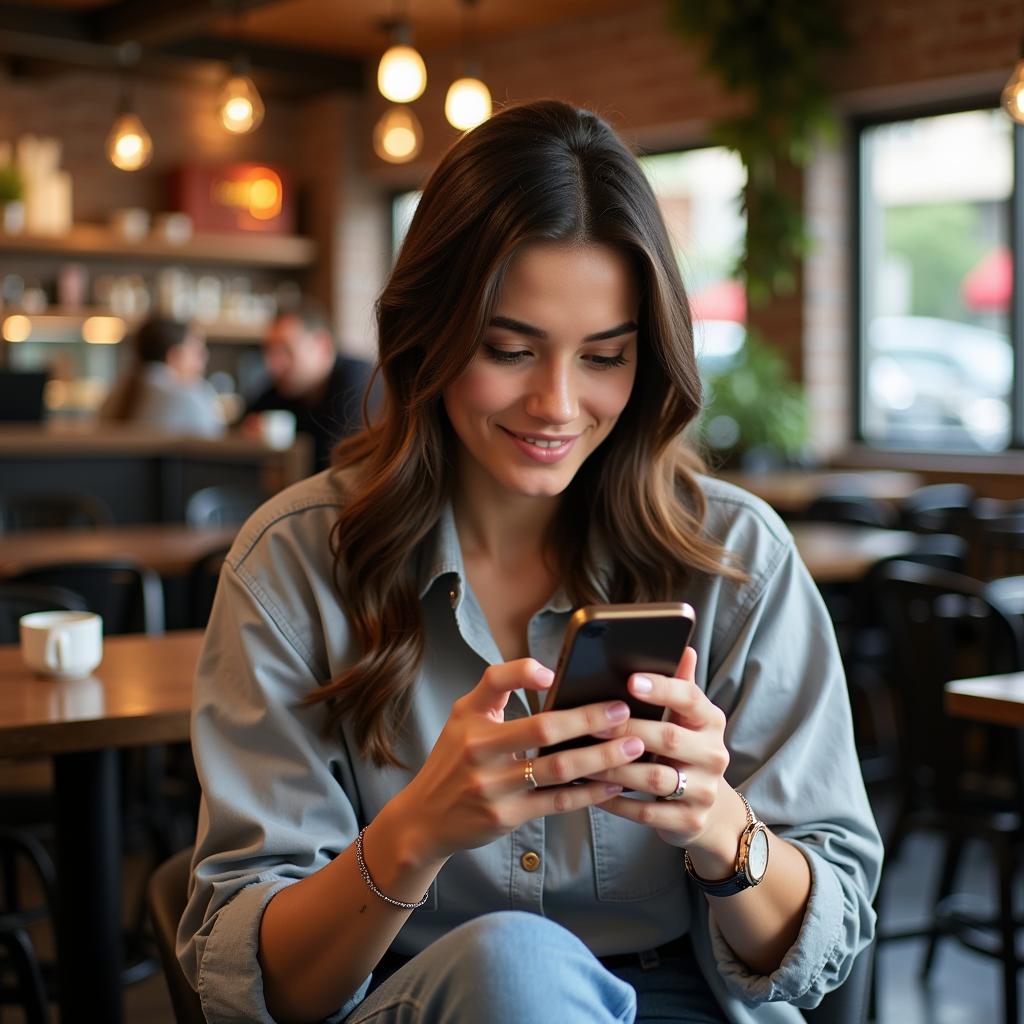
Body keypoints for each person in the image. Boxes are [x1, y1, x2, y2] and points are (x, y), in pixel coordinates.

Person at [179, 101, 881, 1024]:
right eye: (509, 349)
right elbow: (263, 983)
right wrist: (412, 834)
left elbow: (819, 938)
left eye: (604, 356)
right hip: (424, 1001)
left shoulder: (737, 558)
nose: (556, 403)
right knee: (515, 973)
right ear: (426, 333)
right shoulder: (295, 566)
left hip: (692, 997)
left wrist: (718, 824)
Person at [244, 299, 375, 469]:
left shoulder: (360, 382)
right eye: (269, 351)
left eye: (285, 350)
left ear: (322, 346)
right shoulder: (284, 388)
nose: (273, 364)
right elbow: (244, 425)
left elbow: (340, 467)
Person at [101, 316, 224, 437]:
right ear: (175, 355)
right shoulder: (186, 398)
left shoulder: (115, 395)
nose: (204, 359)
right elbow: (214, 447)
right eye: (197, 351)